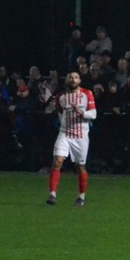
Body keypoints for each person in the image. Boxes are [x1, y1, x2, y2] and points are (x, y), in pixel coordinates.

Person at [47, 71, 96, 206]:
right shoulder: (61, 96)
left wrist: (82, 113)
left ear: (79, 81)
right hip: (65, 133)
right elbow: (60, 113)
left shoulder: (87, 94)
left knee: (80, 167)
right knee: (57, 161)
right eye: (70, 77)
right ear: (67, 80)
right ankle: (52, 194)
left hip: (81, 136)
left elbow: (94, 113)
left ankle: (81, 197)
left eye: (76, 77)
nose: (73, 80)